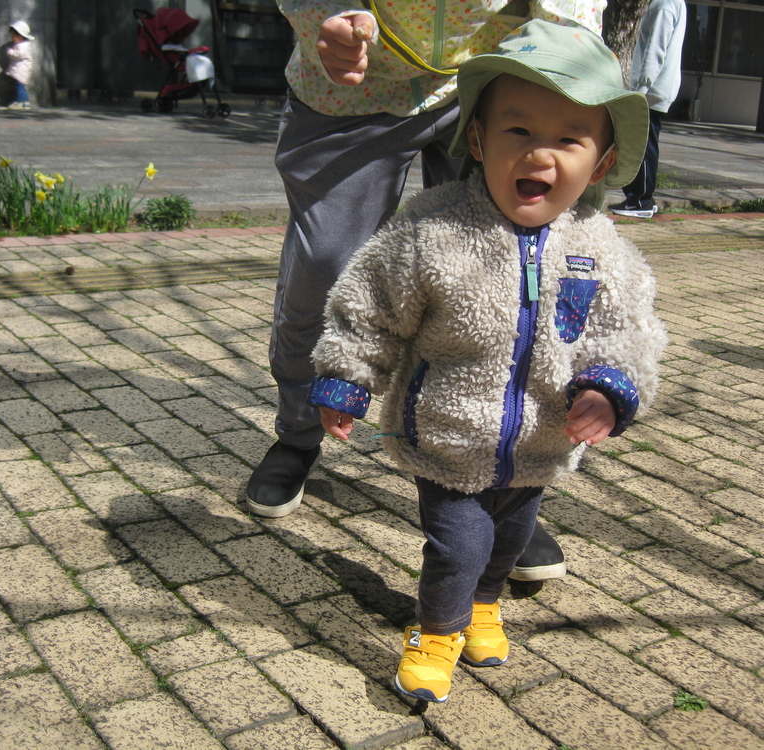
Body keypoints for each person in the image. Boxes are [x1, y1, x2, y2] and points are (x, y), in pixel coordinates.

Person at [307, 19, 666, 703]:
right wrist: (346, 376)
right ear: (478, 140)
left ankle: (484, 607)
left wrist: (610, 389)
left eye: (568, 138)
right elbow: (369, 304)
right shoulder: (432, 229)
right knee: (460, 545)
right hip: (446, 435)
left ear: (601, 158)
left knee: (508, 542)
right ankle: (437, 629)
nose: (540, 155)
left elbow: (631, 331)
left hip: (539, 443)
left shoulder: (600, 245)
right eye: (519, 131)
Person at [247, 0, 604, 584]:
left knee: (508, 279)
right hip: (354, 81)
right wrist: (326, 14)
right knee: (326, 272)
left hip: (504, 76)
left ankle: (506, 487)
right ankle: (297, 434)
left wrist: (572, 60)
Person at [608, 0, 687, 218]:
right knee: (646, 142)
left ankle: (640, 200)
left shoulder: (664, 4)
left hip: (651, 89)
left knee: (642, 144)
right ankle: (640, 199)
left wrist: (641, 88)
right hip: (656, 87)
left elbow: (656, 48)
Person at [4, 21, 35, 110]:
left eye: (14, 36)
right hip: (19, 70)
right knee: (19, 86)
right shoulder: (22, 44)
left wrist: (10, 52)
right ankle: (23, 102)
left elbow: (18, 55)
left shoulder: (23, 46)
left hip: (21, 71)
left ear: (20, 36)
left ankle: (21, 102)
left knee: (20, 87)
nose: (12, 38)